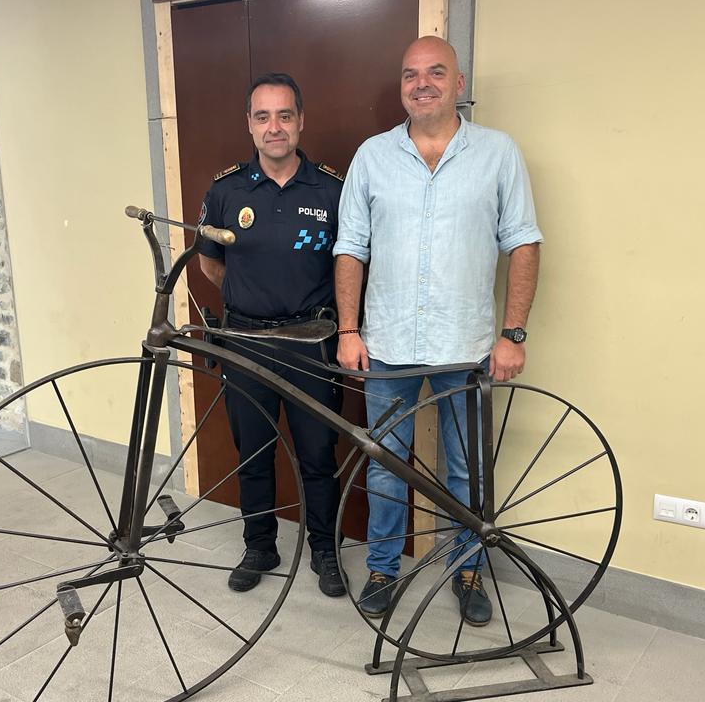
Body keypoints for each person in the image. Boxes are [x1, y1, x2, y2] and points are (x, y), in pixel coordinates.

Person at [332, 37, 543, 624]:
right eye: (409, 75)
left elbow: (523, 244)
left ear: (459, 81)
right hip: (389, 347)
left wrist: (513, 334)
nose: (421, 83)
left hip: (467, 347)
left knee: (466, 469)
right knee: (385, 464)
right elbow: (350, 248)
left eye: (434, 73)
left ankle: (469, 569)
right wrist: (349, 329)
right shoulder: (371, 156)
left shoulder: (499, 153)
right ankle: (382, 567)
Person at [198, 72, 346, 597]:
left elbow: (349, 266)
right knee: (253, 452)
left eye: (285, 115)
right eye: (263, 116)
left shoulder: (332, 189)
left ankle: (326, 549)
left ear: (301, 121)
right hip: (246, 343)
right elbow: (212, 266)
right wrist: (254, 303)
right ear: (250, 125)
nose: (274, 126)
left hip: (311, 344)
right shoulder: (224, 190)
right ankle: (260, 543)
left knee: (318, 454)